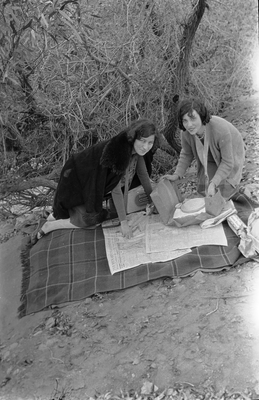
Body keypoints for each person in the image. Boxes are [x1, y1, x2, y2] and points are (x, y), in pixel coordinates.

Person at [31, 119, 159, 243]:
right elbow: (116, 191)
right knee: (90, 219)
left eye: (150, 142)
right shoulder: (119, 152)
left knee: (89, 212)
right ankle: (49, 226)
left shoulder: (137, 152)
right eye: (142, 141)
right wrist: (123, 222)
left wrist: (153, 201)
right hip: (78, 176)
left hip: (89, 178)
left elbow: (143, 175)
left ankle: (54, 216)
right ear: (134, 137)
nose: (145, 147)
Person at [163, 98, 245, 199]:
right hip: (207, 156)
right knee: (204, 190)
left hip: (231, 150)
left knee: (224, 190)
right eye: (185, 121)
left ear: (201, 116)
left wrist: (214, 183)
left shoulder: (220, 129)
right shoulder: (186, 132)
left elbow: (227, 163)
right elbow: (186, 154)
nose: (189, 125)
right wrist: (177, 174)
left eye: (193, 118)